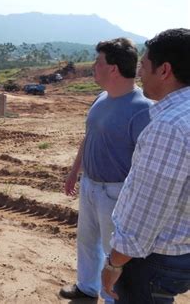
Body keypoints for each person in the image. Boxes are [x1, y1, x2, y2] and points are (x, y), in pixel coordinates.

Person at [59, 38, 153, 303]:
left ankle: (114, 297)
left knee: (114, 252)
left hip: (116, 192)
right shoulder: (101, 98)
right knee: (86, 241)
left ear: (113, 68)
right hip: (90, 185)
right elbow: (88, 137)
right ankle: (86, 288)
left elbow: (144, 161)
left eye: (98, 61)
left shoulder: (142, 108)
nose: (93, 66)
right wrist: (74, 171)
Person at [102, 28, 190, 303]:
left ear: (164, 70)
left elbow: (146, 217)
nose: (140, 74)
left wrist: (114, 263)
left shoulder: (168, 128)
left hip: (154, 261)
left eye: (144, 66)